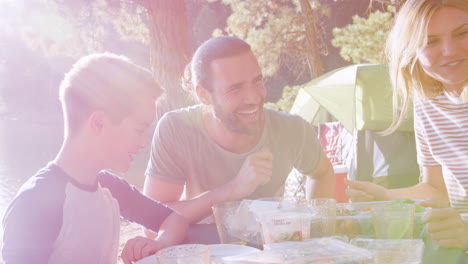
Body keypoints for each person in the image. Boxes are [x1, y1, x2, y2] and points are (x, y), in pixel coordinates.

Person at [1, 53, 188, 264]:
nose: (144, 143)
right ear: (98, 123)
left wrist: (159, 243)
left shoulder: (109, 187)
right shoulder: (34, 203)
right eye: (139, 129)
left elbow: (173, 220)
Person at [142, 36, 335, 236]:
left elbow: (322, 173)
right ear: (204, 95)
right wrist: (234, 189)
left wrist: (315, 233)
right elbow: (151, 222)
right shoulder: (177, 128)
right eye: (235, 88)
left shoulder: (292, 129)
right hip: (202, 252)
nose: (253, 98)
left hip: (271, 252)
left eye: (257, 81)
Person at [345, 0, 468, 250]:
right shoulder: (427, 104)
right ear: (411, 51)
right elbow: (437, 190)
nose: (449, 51)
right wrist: (385, 197)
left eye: (463, 33)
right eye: (430, 41)